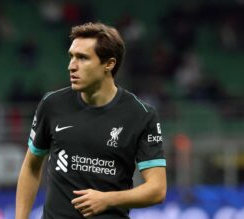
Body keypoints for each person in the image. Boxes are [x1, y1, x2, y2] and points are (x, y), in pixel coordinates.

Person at [16, 22, 167, 219]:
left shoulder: (141, 115)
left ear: (109, 64)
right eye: (71, 56)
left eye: (83, 58)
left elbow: (157, 189)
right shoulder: (52, 104)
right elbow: (31, 167)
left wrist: (107, 199)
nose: (71, 66)